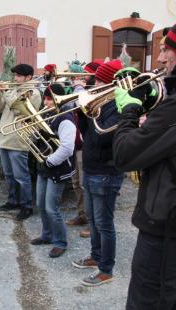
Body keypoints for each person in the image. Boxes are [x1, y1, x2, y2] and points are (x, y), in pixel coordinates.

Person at [113, 3, 176, 308]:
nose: (160, 56)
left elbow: (125, 154)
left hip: (167, 225)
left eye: (168, 48)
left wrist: (129, 111)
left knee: (149, 301)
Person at [71, 59, 125, 286]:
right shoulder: (100, 103)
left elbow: (103, 137)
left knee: (105, 223)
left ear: (111, 82)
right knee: (93, 220)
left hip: (107, 171)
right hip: (92, 168)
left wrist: (92, 110)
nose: (96, 84)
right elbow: (86, 134)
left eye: (101, 80)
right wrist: (83, 112)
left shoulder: (118, 105)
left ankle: (106, 269)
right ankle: (95, 257)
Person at [30, 84, 76, 258]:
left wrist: (49, 161)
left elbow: (67, 148)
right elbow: (40, 139)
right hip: (45, 167)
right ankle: (47, 235)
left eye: (50, 99)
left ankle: (60, 241)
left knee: (51, 208)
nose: (46, 102)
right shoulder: (47, 115)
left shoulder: (65, 119)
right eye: (45, 98)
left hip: (57, 168)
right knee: (41, 204)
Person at [0, 64, 42, 221]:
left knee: (21, 176)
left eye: (19, 76)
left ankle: (26, 206)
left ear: (28, 77)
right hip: (5, 138)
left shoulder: (33, 93)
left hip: (19, 139)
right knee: (9, 175)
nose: (15, 78)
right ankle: (13, 200)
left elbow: (18, 110)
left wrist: (6, 91)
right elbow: (0, 108)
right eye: (15, 75)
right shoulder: (14, 89)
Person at [67, 60, 104, 238]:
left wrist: (79, 89)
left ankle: (92, 223)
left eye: (86, 74)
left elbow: (81, 105)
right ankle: (82, 215)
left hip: (86, 145)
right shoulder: (85, 90)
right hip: (76, 143)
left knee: (84, 183)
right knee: (76, 183)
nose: (81, 77)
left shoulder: (96, 93)